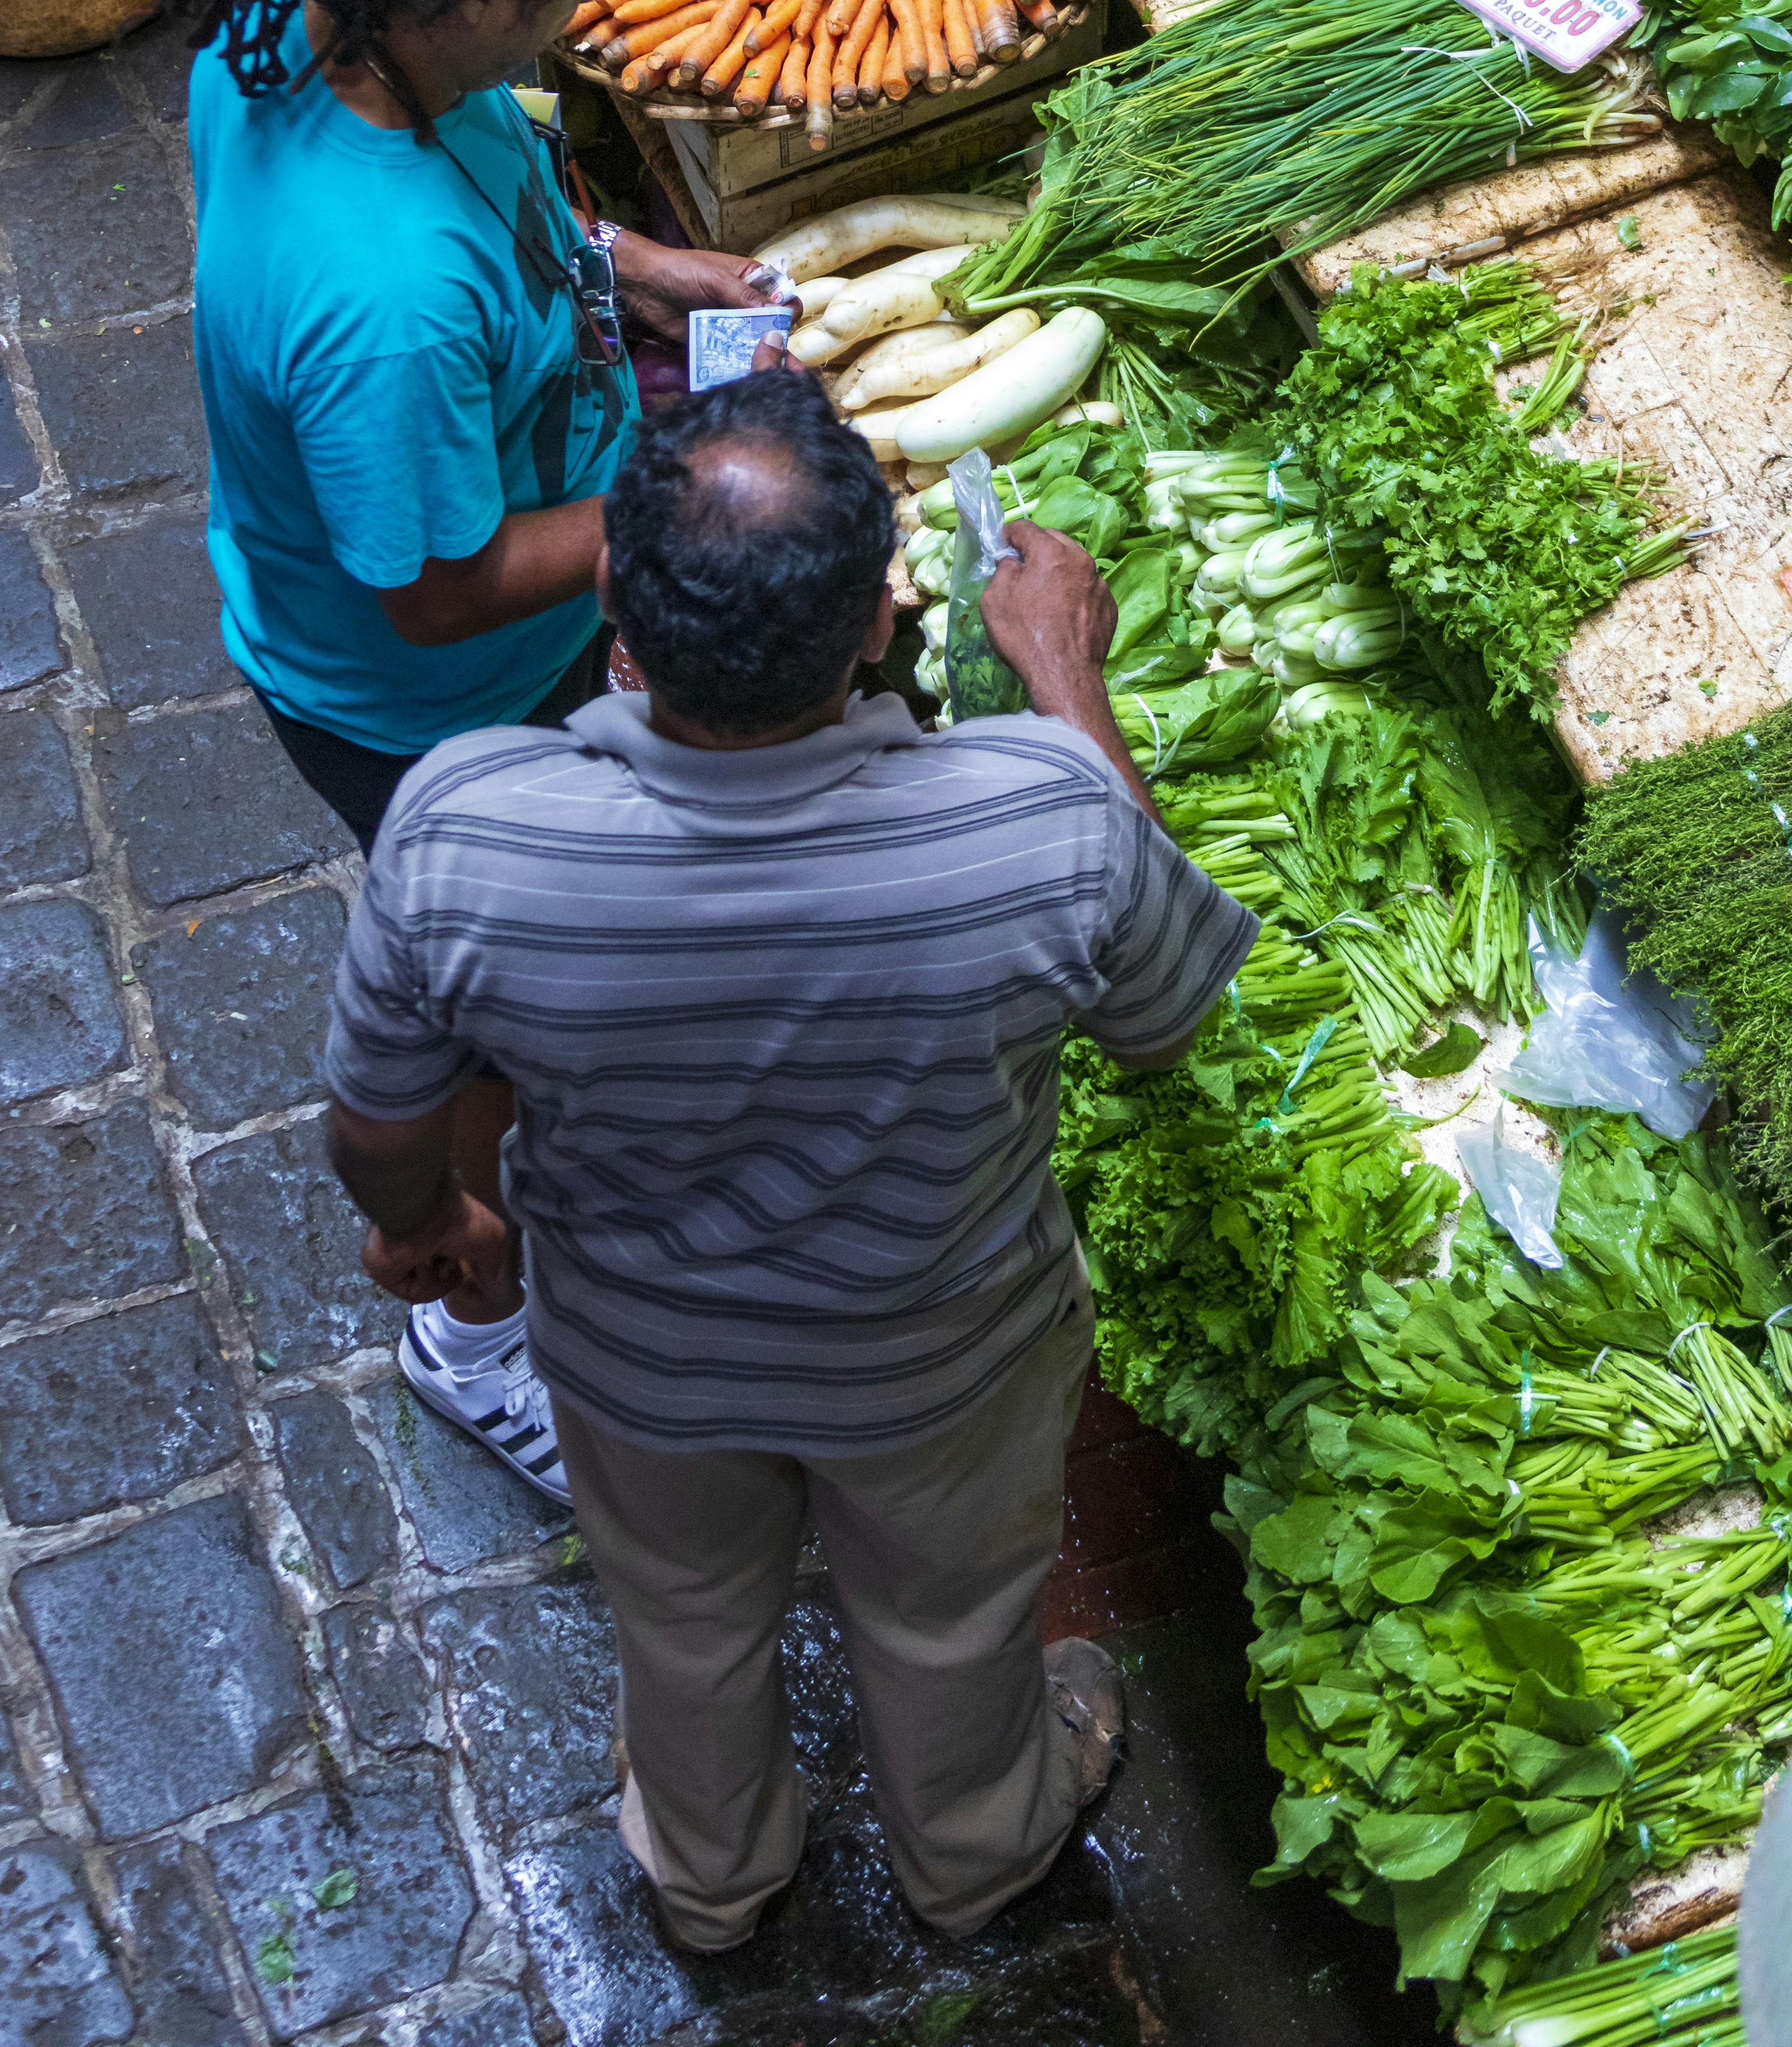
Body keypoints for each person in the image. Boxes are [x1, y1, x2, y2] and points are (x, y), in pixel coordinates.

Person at [319, 364, 1256, 1952]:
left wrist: (438, 1225)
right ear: (880, 627)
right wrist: (1066, 686)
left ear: (614, 594)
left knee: (680, 1622)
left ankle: (710, 1874)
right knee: (951, 1614)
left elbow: (378, 1123)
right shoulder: (1041, 821)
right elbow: (1167, 1015)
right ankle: (970, 1851)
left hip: (639, 1361)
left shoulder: (467, 826)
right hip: (942, 1358)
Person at [161, 0, 776, 1505]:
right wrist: (666, 512)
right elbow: (430, 591)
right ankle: (470, 1322)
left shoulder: (307, 6)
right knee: (486, 1026)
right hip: (423, 703)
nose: (593, 17)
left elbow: (506, 172)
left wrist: (640, 271)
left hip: (483, 611)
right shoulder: (387, 302)